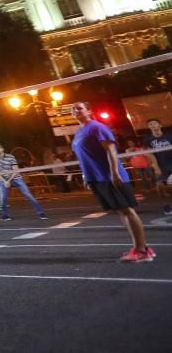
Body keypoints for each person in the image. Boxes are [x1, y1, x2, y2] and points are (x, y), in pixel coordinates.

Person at [71, 101, 154, 262]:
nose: (76, 111)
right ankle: (139, 247)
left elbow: (111, 150)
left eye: (79, 108)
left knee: (128, 211)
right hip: (95, 177)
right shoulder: (78, 132)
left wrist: (115, 173)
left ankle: (142, 250)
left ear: (88, 110)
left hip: (108, 176)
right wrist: (85, 176)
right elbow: (83, 157)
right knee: (122, 212)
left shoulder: (97, 127)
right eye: (73, 109)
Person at [0, 143, 47, 220]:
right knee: (2, 198)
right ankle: (5, 215)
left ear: (2, 149)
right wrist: (5, 181)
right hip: (2, 180)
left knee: (28, 195)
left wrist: (9, 180)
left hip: (16, 178)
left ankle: (41, 213)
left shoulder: (10, 157)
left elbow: (16, 170)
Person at [143, 118, 172, 215]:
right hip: (161, 166)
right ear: (149, 127)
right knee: (160, 187)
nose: (153, 125)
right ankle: (166, 206)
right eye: (150, 124)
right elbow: (150, 154)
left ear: (160, 125)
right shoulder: (148, 139)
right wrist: (156, 167)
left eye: (155, 123)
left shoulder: (169, 135)